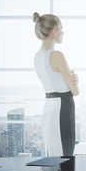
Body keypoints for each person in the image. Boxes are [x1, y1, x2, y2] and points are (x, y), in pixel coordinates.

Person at [33, 12, 79, 157]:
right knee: (65, 155)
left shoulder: (37, 57)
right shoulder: (56, 55)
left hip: (49, 107)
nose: (63, 32)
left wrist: (71, 80)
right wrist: (74, 81)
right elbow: (75, 91)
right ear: (54, 31)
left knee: (52, 153)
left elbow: (53, 81)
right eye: (61, 28)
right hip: (63, 107)